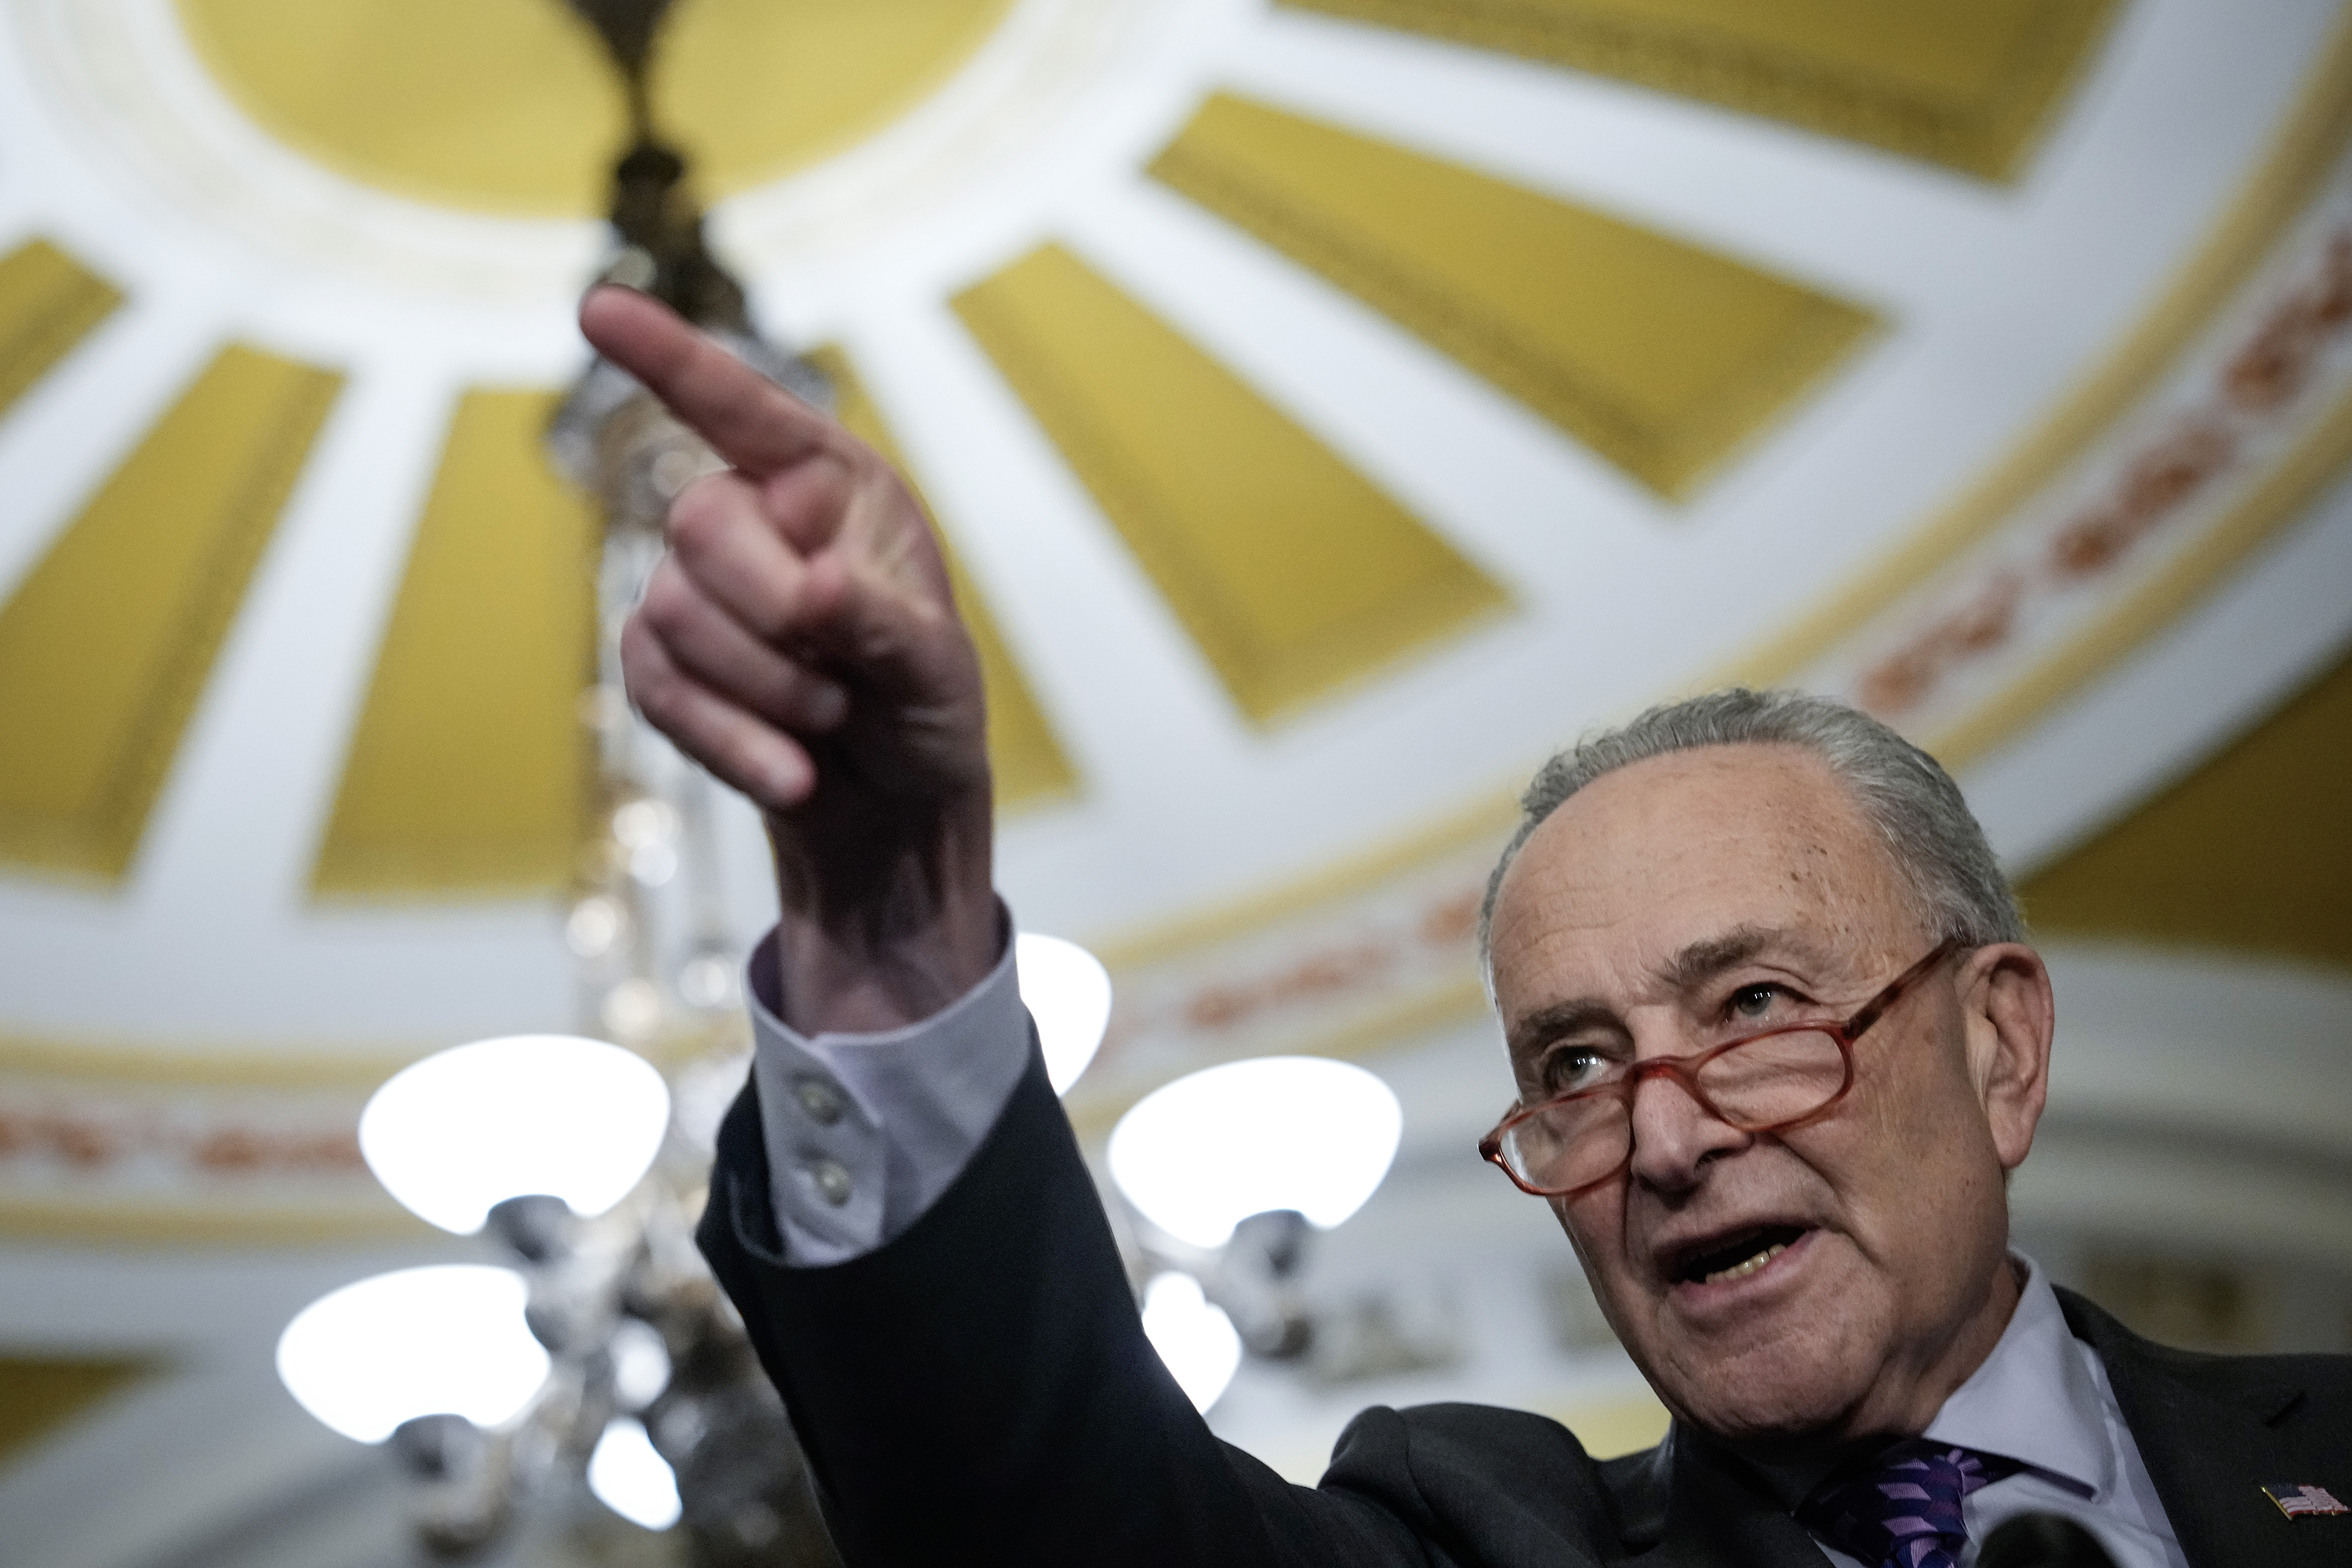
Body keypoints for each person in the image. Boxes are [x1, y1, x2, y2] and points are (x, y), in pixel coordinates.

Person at [578, 287, 2350, 1567]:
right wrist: (893, 927)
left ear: (2001, 1043)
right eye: (1573, 1063)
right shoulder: (1482, 1533)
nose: (1659, 1135)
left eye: (1748, 1005)